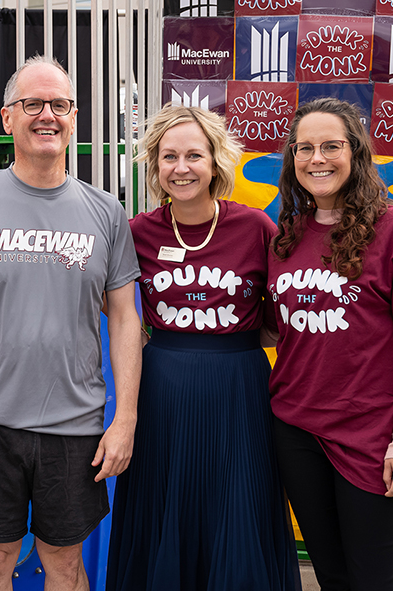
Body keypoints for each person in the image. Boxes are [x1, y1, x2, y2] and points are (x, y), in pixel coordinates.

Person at [0, 55, 143, 590]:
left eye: (60, 105)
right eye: (33, 104)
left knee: (66, 568)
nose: (47, 115)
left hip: (74, 428)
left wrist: (125, 420)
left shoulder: (106, 212)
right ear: (7, 118)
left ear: (75, 117)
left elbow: (123, 319)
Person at [105, 105, 301, 591]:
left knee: (238, 505)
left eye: (194, 154)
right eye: (168, 156)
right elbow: (118, 311)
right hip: (162, 394)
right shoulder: (136, 233)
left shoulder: (256, 228)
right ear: (154, 166)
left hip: (239, 392)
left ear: (216, 162)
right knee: (163, 504)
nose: (182, 167)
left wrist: (226, 341)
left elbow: (282, 316)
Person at [268, 97, 393, 591]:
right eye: (304, 148)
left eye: (331, 146)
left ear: (355, 153)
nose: (317, 159)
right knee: (331, 576)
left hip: (373, 440)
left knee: (377, 581)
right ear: (291, 159)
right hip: (296, 431)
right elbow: (275, 328)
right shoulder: (285, 237)